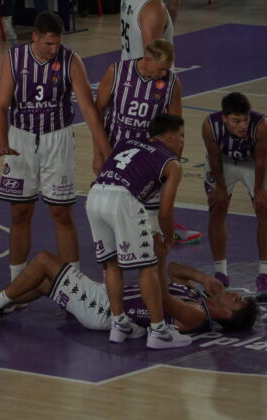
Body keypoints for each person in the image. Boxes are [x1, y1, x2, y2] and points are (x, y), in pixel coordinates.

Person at [0, 11, 111, 295]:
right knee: (20, 211)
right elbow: (1, 105)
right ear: (34, 37)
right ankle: (18, 287)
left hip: (57, 138)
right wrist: (1, 140)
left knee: (61, 213)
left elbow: (89, 110)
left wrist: (104, 151)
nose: (53, 49)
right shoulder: (14, 58)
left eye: (57, 43)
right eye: (48, 43)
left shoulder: (71, 60)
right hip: (21, 139)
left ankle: (74, 289)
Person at [86, 113, 191, 348]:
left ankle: (119, 324)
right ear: (170, 136)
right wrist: (169, 238)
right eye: (181, 136)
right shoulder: (172, 163)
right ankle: (159, 331)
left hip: (95, 195)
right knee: (148, 267)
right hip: (123, 201)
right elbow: (165, 212)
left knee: (111, 263)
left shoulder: (127, 142)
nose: (182, 142)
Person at [0, 253, 259, 334]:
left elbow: (160, 296)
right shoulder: (200, 299)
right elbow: (174, 270)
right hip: (106, 298)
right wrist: (203, 278)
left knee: (46, 261)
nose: (235, 294)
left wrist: (151, 258)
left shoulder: (197, 316)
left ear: (227, 314)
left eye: (237, 301)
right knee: (44, 284)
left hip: (103, 310)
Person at [96, 39, 197, 246]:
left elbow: (176, 127)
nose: (164, 74)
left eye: (167, 69)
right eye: (161, 69)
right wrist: (98, 153)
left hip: (151, 160)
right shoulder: (116, 72)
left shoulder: (172, 83)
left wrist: (173, 164)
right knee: (115, 213)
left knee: (152, 226)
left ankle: (164, 234)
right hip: (117, 154)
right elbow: (98, 112)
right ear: (148, 60)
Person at [202, 92, 267, 300]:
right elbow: (214, 158)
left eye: (245, 119)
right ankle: (220, 273)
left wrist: (259, 191)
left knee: (265, 212)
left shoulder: (263, 125)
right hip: (224, 161)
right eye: (236, 121)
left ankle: (265, 275)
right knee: (217, 209)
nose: (243, 125)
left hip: (254, 164)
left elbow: (261, 160)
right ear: (224, 118)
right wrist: (220, 188)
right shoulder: (210, 126)